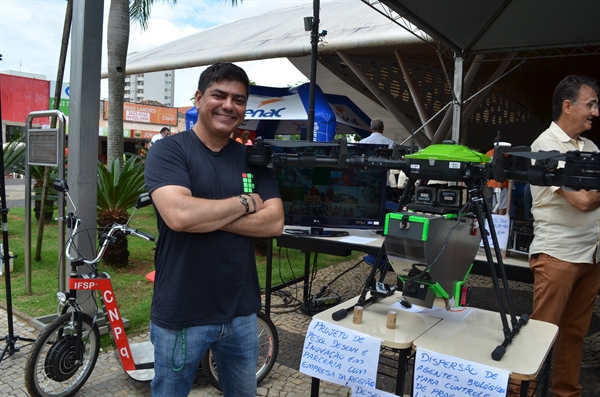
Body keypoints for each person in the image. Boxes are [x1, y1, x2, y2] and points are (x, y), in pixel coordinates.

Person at [144, 62, 284, 397]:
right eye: (218, 95)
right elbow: (179, 216)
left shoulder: (254, 160)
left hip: (242, 312)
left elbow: (275, 222)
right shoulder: (169, 150)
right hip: (181, 312)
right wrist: (245, 203)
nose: (228, 105)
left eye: (238, 99)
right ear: (197, 98)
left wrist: (205, 214)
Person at [528, 75, 600, 397]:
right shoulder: (546, 146)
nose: (596, 112)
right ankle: (520, 392)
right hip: (557, 255)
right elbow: (582, 201)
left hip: (592, 255)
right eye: (591, 104)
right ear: (568, 106)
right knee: (540, 332)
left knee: (574, 333)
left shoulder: (591, 147)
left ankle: (566, 393)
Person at [485, 138, 509, 215]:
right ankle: (499, 223)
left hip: (490, 184)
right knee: (502, 206)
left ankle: (493, 222)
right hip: (502, 184)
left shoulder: (488, 153)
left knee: (493, 206)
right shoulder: (505, 153)